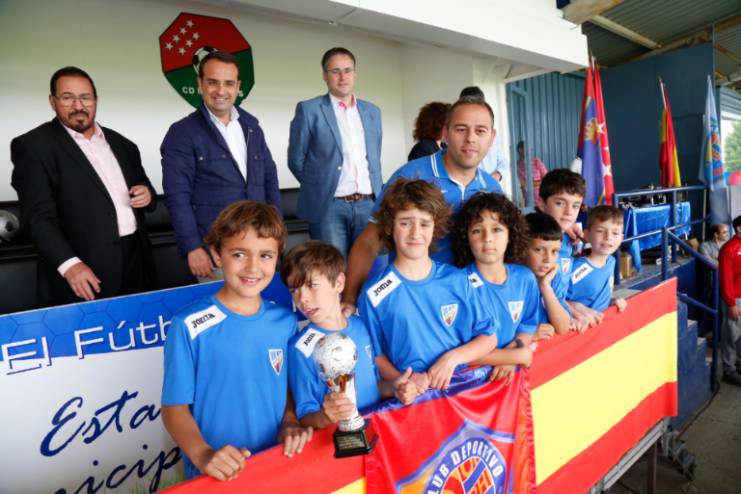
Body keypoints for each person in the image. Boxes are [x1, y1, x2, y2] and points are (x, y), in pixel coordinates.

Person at [161, 201, 311, 481]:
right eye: (239, 254)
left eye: (265, 255)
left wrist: (290, 421)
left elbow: (289, 385)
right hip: (217, 475)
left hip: (274, 464)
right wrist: (203, 454)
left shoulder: (285, 322)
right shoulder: (189, 325)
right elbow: (173, 408)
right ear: (217, 255)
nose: (253, 267)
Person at [10, 66, 156, 306]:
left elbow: (143, 185)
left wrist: (146, 193)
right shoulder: (33, 146)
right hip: (83, 272)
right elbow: (38, 217)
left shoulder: (123, 144)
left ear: (95, 100)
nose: (78, 106)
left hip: (136, 262)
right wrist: (70, 265)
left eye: (85, 97)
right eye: (67, 98)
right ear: (52, 102)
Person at [343, 96, 503, 314]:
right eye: (461, 129)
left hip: (471, 304)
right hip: (415, 302)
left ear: (492, 137)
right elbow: (370, 241)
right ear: (445, 133)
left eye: (480, 131)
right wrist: (349, 300)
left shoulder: (492, 188)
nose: (470, 138)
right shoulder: (411, 175)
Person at [357, 179, 498, 393]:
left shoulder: (458, 280)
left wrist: (451, 359)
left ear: (436, 228)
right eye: (405, 223)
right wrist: (403, 382)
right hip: (413, 398)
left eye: (424, 224)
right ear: (389, 226)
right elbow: (375, 355)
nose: (415, 233)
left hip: (463, 393)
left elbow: (489, 337)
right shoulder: (374, 294)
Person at [161, 51, 280, 281]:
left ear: (238, 86)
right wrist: (192, 247)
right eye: (213, 82)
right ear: (200, 84)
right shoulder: (182, 133)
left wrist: (275, 231)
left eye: (228, 83)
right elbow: (177, 195)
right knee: (223, 304)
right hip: (216, 250)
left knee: (259, 302)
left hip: (259, 244)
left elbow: (269, 178)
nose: (221, 91)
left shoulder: (252, 127)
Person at [281, 241, 420, 429]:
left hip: (377, 431)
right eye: (294, 290)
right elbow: (305, 417)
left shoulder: (361, 326)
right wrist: (326, 416)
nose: (302, 299)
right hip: (338, 441)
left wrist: (395, 387)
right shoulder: (300, 349)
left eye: (312, 285)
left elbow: (372, 387)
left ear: (339, 283)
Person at [288, 47, 383, 257]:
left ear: (355, 74)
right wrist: (319, 185)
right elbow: (296, 159)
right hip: (329, 206)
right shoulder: (309, 110)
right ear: (325, 75)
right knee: (331, 267)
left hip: (368, 205)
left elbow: (374, 156)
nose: (342, 77)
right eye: (335, 71)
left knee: (366, 268)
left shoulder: (372, 112)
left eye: (348, 70)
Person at [452, 193, 535, 383]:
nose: (487, 238)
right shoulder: (458, 284)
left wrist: (510, 356)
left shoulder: (525, 278)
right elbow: (457, 352)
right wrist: (516, 356)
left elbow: (528, 325)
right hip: (471, 386)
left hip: (511, 382)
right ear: (466, 237)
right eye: (477, 231)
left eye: (496, 229)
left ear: (510, 234)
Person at [567, 205, 627, 315]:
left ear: (621, 238)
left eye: (615, 233)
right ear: (587, 235)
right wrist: (576, 307)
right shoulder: (576, 268)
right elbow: (553, 300)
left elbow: (598, 297)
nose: (608, 237)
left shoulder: (611, 262)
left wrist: (612, 301)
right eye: (600, 231)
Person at [523, 212, 572, 335]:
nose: (548, 259)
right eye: (539, 250)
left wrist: (545, 286)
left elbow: (563, 327)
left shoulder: (551, 278)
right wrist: (527, 334)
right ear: (521, 248)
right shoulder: (510, 280)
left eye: (554, 251)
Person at [458, 86, 508, 182]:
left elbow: (503, 162)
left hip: (490, 187)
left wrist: (497, 175)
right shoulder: (455, 135)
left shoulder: (491, 135)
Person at [718, 215, 741, 386]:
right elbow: (725, 278)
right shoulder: (729, 248)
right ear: (739, 229)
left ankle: (738, 363)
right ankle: (729, 370)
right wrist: (731, 304)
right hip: (735, 299)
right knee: (730, 335)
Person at [516, 141, 548, 206]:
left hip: (540, 202)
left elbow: (548, 179)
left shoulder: (536, 162)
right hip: (526, 203)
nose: (529, 151)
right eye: (527, 148)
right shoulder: (516, 165)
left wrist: (530, 183)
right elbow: (518, 183)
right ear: (520, 150)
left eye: (530, 149)